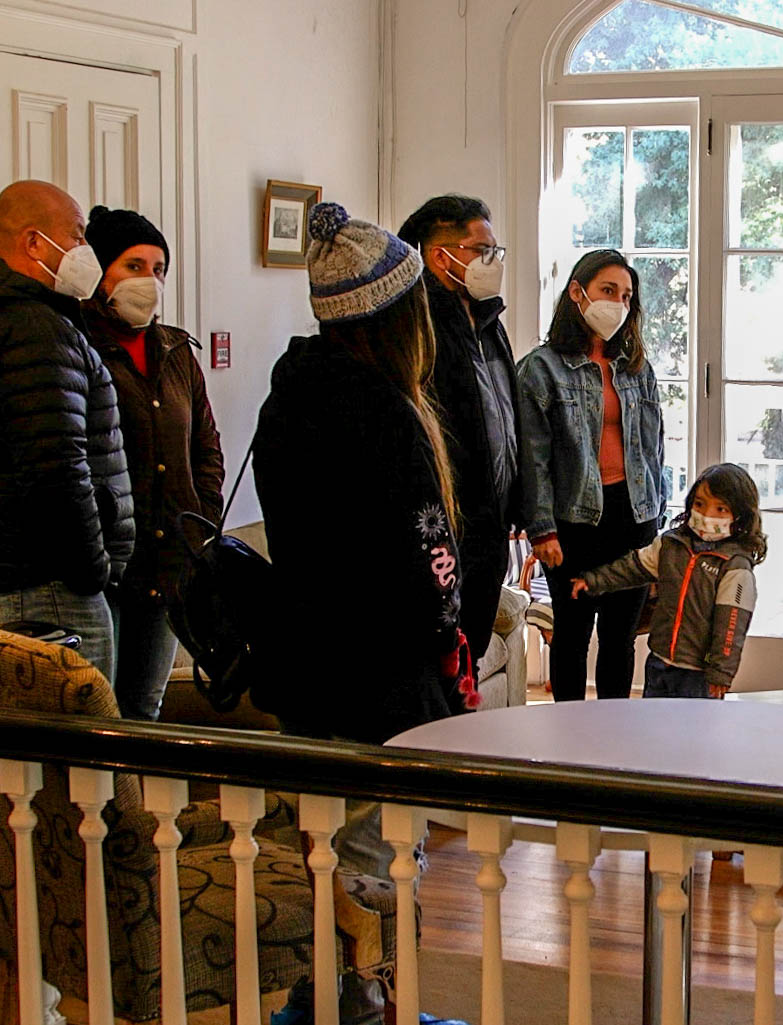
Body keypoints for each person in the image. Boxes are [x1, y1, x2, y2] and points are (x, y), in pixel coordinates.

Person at [254, 203, 477, 1025]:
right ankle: (374, 1009)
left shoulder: (290, 398)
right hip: (381, 683)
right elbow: (430, 564)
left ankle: (320, 1004)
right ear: (394, 315)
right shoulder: (385, 412)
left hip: (309, 669)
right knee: (378, 861)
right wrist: (449, 638)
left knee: (317, 858)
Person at [0, 180, 134, 683]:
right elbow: (56, 470)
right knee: (76, 754)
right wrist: (93, 571)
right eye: (77, 234)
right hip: (41, 582)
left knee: (26, 756)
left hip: (6, 569)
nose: (85, 249)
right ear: (34, 243)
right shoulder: (33, 329)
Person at [80, 206, 225, 720]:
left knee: (145, 706)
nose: (150, 280)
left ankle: (137, 804)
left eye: (158, 268)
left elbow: (205, 448)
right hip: (108, 567)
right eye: (133, 266)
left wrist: (201, 522)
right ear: (99, 272)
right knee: (98, 713)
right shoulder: (79, 347)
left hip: (171, 567)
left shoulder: (175, 351)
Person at [516, 249, 667, 701]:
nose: (618, 303)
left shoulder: (638, 368)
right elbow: (533, 459)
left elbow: (655, 448)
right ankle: (569, 740)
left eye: (626, 295)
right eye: (608, 290)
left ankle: (612, 738)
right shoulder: (540, 369)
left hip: (634, 516)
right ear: (577, 293)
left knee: (621, 637)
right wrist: (541, 529)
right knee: (573, 634)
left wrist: (660, 519)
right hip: (571, 524)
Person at [397, 196, 517, 662]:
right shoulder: (417, 325)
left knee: (473, 654)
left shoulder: (489, 321)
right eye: (481, 250)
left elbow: (505, 417)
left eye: (495, 251)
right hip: (448, 527)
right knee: (444, 659)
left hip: (492, 527)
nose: (493, 262)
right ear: (438, 255)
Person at [573, 463, 764, 698]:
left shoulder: (735, 567)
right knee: (655, 728)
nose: (707, 515)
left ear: (740, 515)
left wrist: (721, 673)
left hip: (698, 674)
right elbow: (632, 567)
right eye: (700, 504)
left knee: (691, 732)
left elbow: (730, 627)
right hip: (659, 662)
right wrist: (594, 581)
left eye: (721, 509)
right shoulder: (670, 546)